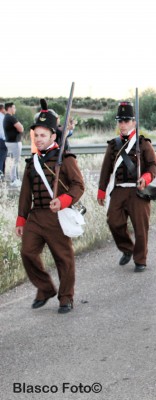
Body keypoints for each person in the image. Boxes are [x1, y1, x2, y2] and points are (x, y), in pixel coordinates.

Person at [15, 103, 85, 314]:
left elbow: (78, 186)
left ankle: (66, 297)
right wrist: (21, 219)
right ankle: (45, 288)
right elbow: (26, 193)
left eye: (42, 135)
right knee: (27, 252)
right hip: (36, 215)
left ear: (53, 136)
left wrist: (63, 200)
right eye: (36, 135)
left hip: (57, 215)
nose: (38, 139)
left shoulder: (65, 158)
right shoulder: (32, 162)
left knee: (63, 258)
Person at [97, 102, 156, 272]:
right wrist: (101, 190)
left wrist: (146, 178)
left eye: (126, 121)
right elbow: (105, 170)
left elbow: (154, 165)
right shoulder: (113, 145)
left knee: (141, 228)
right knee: (114, 221)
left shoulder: (143, 143)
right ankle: (127, 248)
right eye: (120, 121)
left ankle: (140, 259)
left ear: (134, 122)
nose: (123, 125)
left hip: (138, 190)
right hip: (119, 189)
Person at [3, 102, 24, 186]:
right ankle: (14, 180)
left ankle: (14, 179)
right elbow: (21, 128)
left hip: (10, 142)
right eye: (14, 107)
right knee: (15, 161)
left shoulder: (6, 118)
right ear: (10, 108)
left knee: (13, 161)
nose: (15, 109)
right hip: (14, 143)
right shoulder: (11, 118)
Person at [0, 104, 6, 180]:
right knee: (2, 158)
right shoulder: (2, 117)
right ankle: (1, 176)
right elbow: (2, 132)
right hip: (2, 140)